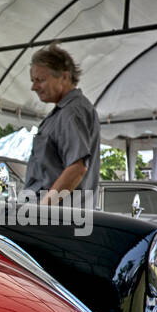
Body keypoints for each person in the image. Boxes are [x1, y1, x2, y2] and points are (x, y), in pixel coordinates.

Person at [23, 44, 100, 204]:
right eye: (33, 81)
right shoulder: (65, 112)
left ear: (64, 77)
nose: (33, 87)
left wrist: (42, 209)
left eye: (40, 80)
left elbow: (77, 168)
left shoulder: (72, 112)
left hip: (58, 219)